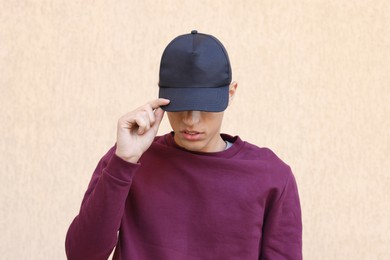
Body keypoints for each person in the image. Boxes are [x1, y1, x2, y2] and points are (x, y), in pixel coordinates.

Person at [65, 30, 302, 260]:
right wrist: (123, 163)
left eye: (205, 106)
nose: (191, 120)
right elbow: (82, 255)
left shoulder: (271, 176)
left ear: (230, 93)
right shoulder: (129, 159)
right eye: (181, 106)